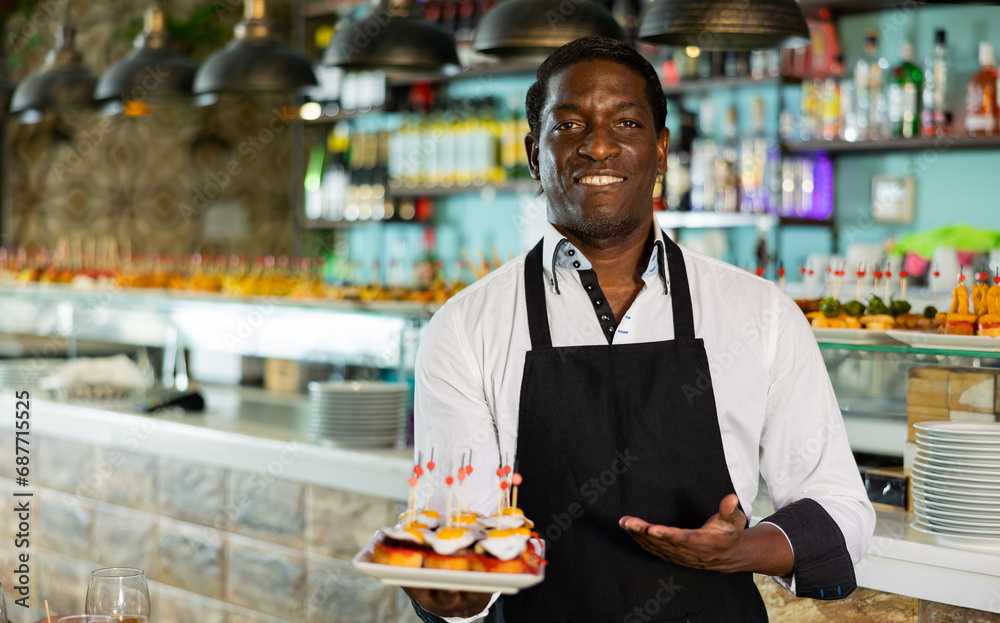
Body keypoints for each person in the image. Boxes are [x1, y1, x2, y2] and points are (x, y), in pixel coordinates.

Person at [406, 36, 875, 622]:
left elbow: (839, 506)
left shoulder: (762, 312)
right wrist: (452, 589)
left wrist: (743, 550)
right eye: (570, 126)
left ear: (660, 151)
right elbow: (459, 540)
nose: (598, 146)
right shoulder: (464, 327)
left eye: (626, 123)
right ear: (534, 154)